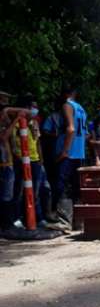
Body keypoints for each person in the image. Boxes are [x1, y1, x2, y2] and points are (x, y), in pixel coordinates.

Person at [53, 86, 88, 227]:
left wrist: (65, 151)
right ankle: (79, 222)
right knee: (76, 186)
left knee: (62, 186)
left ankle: (63, 222)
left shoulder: (67, 106)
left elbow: (71, 128)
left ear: (67, 94)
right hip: (79, 152)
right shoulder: (81, 109)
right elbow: (84, 133)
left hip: (68, 153)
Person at [9, 95, 44, 227]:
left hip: (35, 161)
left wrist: (41, 159)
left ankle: (37, 218)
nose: (34, 110)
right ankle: (17, 218)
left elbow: (38, 142)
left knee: (35, 191)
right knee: (18, 191)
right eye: (31, 107)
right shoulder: (14, 122)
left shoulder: (34, 123)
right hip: (21, 161)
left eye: (35, 107)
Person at [0, 91, 16, 229]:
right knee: (6, 195)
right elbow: (4, 137)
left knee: (8, 195)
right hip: (4, 163)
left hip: (7, 162)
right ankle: (6, 225)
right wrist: (16, 120)